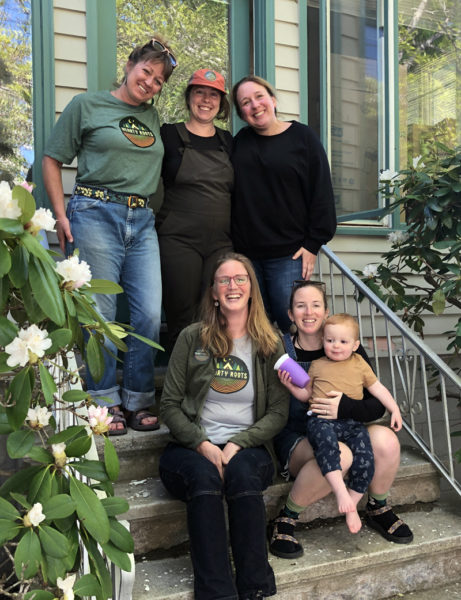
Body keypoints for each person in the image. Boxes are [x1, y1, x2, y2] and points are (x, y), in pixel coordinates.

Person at [42, 36, 177, 435]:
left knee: (149, 314)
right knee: (99, 315)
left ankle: (137, 398)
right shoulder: (88, 105)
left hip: (142, 220)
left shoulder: (153, 119)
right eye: (146, 72)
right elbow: (51, 159)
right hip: (95, 212)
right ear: (131, 65)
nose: (149, 82)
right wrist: (61, 215)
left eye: (158, 80)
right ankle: (104, 401)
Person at [159, 252, 289, 600]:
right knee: (204, 478)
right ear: (214, 292)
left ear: (251, 290)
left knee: (242, 476)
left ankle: (255, 585)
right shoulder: (192, 338)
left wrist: (240, 443)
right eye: (224, 280)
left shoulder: (270, 342)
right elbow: (169, 405)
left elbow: (278, 411)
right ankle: (217, 593)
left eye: (240, 279)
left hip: (247, 449)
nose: (233, 285)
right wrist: (202, 444)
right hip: (189, 448)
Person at [269, 280, 413, 559]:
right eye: (300, 305)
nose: (308, 312)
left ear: (325, 311)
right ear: (291, 314)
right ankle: (286, 517)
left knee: (386, 441)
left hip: (346, 425)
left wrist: (344, 407)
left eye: (315, 305)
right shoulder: (282, 351)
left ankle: (377, 506)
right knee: (342, 455)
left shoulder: (346, 344)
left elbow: (375, 405)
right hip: (298, 434)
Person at [279, 312, 403, 534]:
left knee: (364, 456)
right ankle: (340, 491)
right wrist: (290, 387)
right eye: (330, 341)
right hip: (322, 421)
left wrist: (395, 409)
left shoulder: (360, 365)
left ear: (355, 345)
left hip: (351, 423)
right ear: (323, 340)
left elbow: (378, 390)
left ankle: (353, 504)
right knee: (329, 448)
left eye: (343, 342)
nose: (336, 346)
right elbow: (307, 395)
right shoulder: (317, 365)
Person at [231, 75, 336, 332]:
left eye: (259, 97)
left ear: (273, 100)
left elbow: (321, 193)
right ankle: (267, 375)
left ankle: (303, 374)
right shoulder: (239, 143)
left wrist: (313, 244)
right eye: (246, 102)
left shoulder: (303, 138)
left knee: (294, 326)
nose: (255, 105)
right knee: (257, 329)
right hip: (246, 256)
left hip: (289, 255)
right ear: (241, 114)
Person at [157, 69, 233, 349]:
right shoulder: (168, 135)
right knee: (183, 316)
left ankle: (215, 385)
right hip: (178, 240)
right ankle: (185, 384)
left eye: (213, 94)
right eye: (199, 92)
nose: (206, 100)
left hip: (221, 243)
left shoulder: (229, 142)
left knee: (218, 314)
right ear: (189, 97)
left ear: (221, 103)